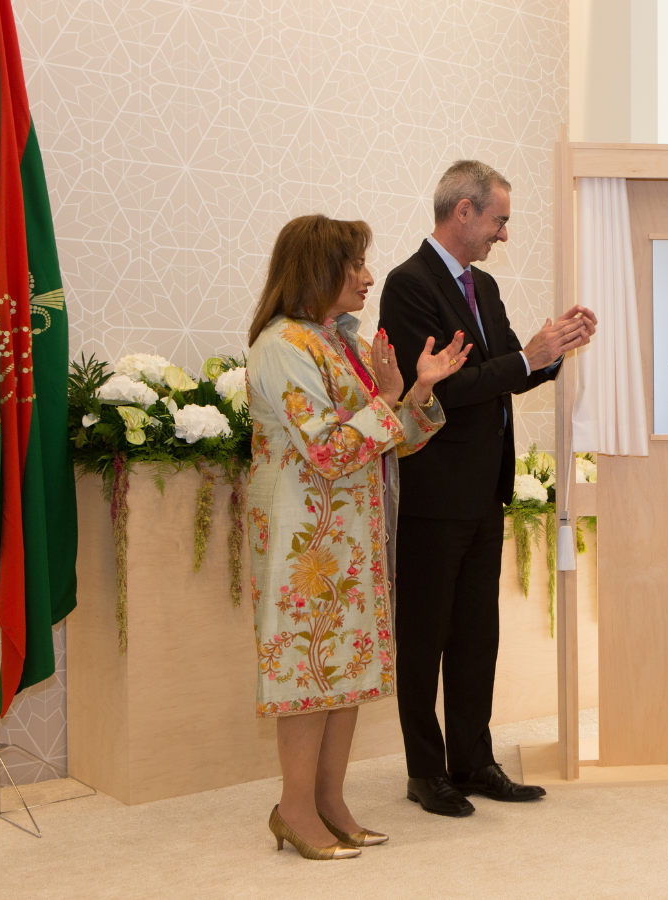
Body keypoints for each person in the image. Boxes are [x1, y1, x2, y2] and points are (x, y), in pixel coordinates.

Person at [247, 214, 470, 859]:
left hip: (351, 537)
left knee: (343, 669)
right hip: (303, 542)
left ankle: (330, 802)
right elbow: (328, 450)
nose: (369, 277)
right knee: (305, 674)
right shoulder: (283, 345)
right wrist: (389, 402)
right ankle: (294, 808)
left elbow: (394, 439)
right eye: (356, 265)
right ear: (318, 269)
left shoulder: (334, 342)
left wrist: (417, 392)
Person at [378, 160, 597, 817]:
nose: (504, 233)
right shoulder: (407, 284)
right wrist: (526, 357)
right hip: (432, 490)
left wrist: (552, 350)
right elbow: (440, 388)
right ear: (463, 211)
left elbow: (506, 375)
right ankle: (426, 772)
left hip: (483, 490)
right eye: (499, 219)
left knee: (477, 634)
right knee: (425, 637)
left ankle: (474, 760)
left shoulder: (487, 288)